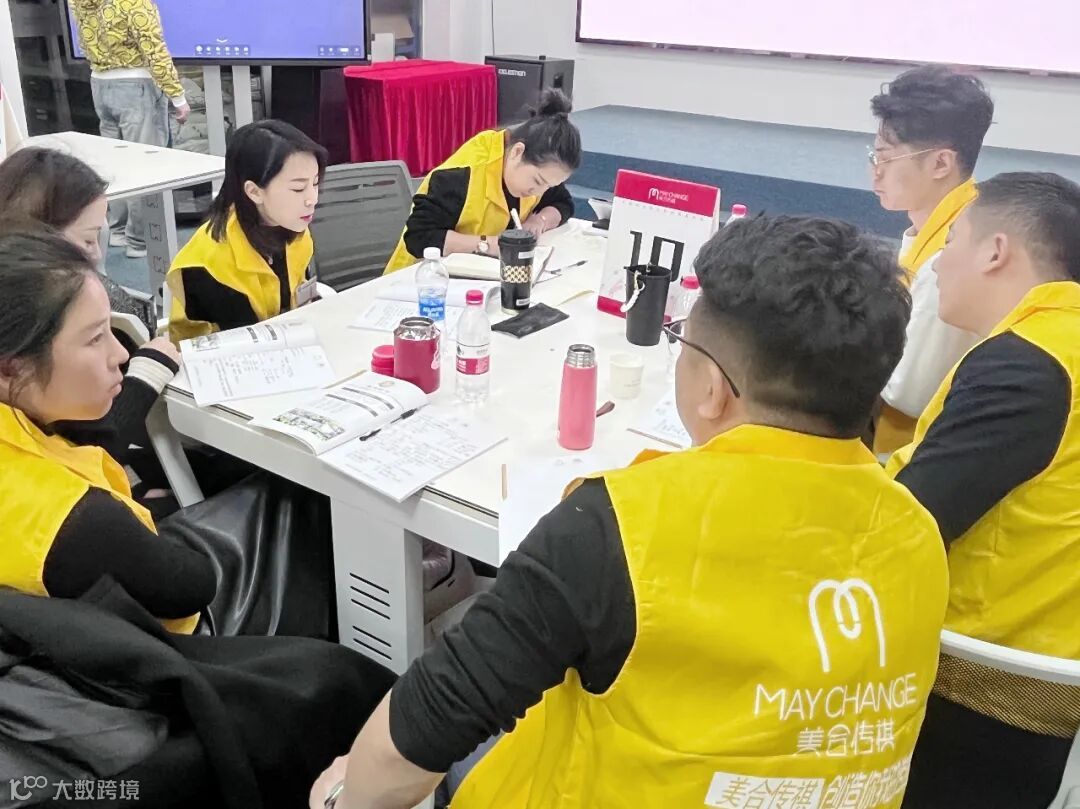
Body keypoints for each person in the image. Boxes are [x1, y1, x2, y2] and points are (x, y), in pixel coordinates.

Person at [311, 215, 950, 808]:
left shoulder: (623, 526)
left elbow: (411, 741)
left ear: (711, 388)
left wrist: (344, 796)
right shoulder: (917, 533)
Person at [887, 173, 1080, 809]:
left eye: (952, 243)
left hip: (984, 696)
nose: (938, 263)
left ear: (996, 251)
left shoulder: (1027, 364)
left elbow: (907, 524)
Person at [0, 229, 212, 634]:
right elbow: (191, 586)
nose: (121, 354)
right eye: (96, 338)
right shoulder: (75, 520)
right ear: (11, 369)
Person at [0, 146, 180, 463]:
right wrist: (147, 374)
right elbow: (96, 443)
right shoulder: (54, 311)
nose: (96, 253)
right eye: (87, 239)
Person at [869, 65, 994, 454]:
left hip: (909, 454)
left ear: (941, 163)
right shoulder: (952, 221)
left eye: (885, 158)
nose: (875, 173)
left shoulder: (951, 257)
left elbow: (909, 393)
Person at [384, 89, 581, 274]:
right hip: (421, 278)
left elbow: (562, 202)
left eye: (549, 186)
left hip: (477, 275)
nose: (539, 192)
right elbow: (419, 237)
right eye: (538, 181)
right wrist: (488, 245)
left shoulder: (537, 168)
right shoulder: (462, 175)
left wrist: (539, 220)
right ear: (517, 152)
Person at [166, 120, 326, 342]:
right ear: (254, 192)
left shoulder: (292, 229)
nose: (312, 199)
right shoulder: (211, 264)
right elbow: (240, 342)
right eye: (298, 188)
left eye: (315, 183)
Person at [68, 0, 190, 259]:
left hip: (99, 84)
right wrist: (177, 96)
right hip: (135, 85)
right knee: (144, 165)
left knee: (116, 164)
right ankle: (139, 241)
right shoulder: (136, 4)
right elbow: (154, 51)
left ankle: (117, 230)